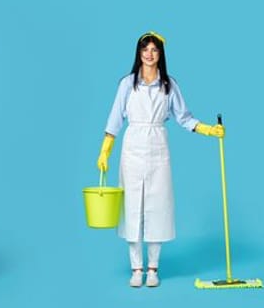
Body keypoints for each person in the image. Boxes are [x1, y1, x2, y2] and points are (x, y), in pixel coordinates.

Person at [95, 32, 224, 288]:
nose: (149, 54)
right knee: (132, 207)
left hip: (158, 145)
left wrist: (209, 129)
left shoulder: (169, 85)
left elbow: (184, 117)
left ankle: (152, 269)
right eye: (145, 49)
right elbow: (114, 120)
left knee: (157, 207)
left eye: (154, 49)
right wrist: (105, 150)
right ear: (138, 53)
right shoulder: (127, 84)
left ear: (161, 54)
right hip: (132, 146)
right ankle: (136, 268)